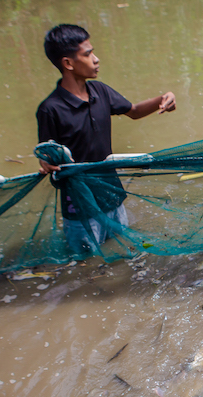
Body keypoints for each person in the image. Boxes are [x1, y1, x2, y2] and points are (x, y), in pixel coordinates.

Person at [36, 24, 176, 253]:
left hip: (112, 194)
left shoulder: (100, 91)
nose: (96, 59)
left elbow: (134, 110)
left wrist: (164, 98)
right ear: (68, 63)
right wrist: (46, 164)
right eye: (88, 54)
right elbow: (46, 156)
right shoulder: (51, 109)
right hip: (80, 204)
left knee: (122, 250)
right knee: (86, 263)